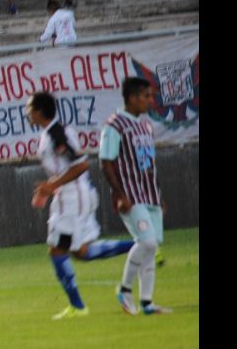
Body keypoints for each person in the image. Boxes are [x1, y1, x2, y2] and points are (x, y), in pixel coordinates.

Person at [26, 91, 134, 320]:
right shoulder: (49, 134)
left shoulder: (57, 134)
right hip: (70, 197)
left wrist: (52, 185)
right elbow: (64, 168)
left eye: (30, 108)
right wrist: (47, 188)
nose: (27, 113)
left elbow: (81, 166)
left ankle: (78, 306)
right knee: (81, 252)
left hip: (72, 199)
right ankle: (139, 245)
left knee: (57, 250)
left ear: (39, 111)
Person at [99, 77, 173, 315]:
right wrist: (119, 194)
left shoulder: (146, 125)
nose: (150, 101)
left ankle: (147, 303)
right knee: (147, 242)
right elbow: (105, 162)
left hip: (150, 193)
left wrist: (159, 195)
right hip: (130, 194)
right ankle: (124, 289)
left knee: (151, 247)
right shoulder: (114, 125)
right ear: (132, 98)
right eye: (146, 96)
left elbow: (149, 163)